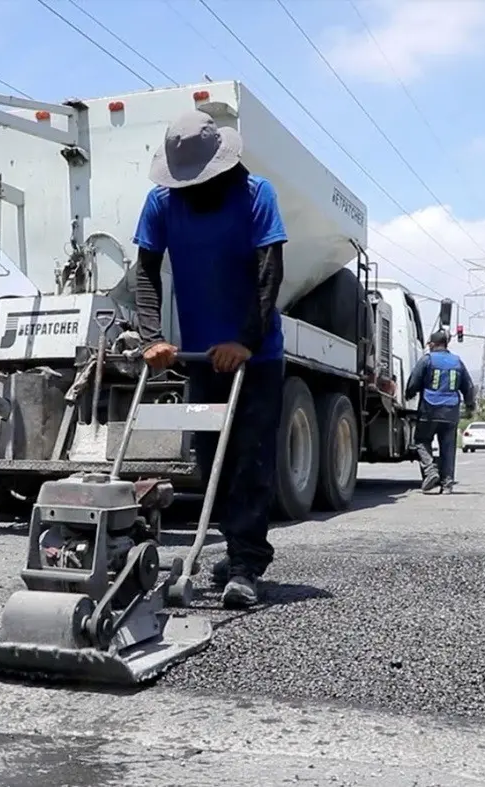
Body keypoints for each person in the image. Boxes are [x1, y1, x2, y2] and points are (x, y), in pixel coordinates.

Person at [131, 110, 287, 609]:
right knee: (207, 460)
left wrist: (245, 341)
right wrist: (151, 337)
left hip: (256, 361)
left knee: (248, 460)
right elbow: (146, 274)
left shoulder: (255, 194)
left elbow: (270, 274)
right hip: (201, 358)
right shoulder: (161, 203)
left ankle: (244, 564)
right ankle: (233, 547)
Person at [405, 329, 476, 494]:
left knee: (421, 441)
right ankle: (447, 485)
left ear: (432, 344)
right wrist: (470, 405)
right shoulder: (457, 361)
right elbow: (468, 387)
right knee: (448, 448)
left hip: (429, 409)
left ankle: (430, 470)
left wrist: (408, 394)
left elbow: (414, 382)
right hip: (451, 411)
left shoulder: (427, 360)